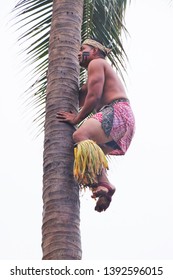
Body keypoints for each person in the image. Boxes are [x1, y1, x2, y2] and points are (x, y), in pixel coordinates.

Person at [56, 38, 135, 212]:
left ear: (95, 51)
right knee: (87, 153)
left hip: (117, 111)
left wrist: (76, 119)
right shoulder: (95, 71)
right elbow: (85, 96)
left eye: (82, 49)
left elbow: (94, 96)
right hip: (124, 121)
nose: (78, 53)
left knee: (80, 136)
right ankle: (104, 187)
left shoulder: (97, 63)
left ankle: (103, 183)